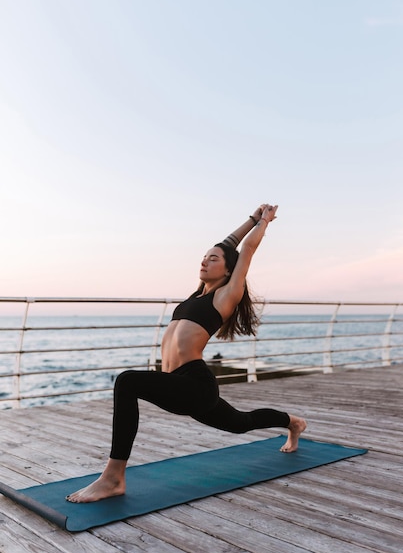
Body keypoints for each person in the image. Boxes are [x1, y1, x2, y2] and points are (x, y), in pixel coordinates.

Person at [66, 204, 306, 503]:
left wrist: (264, 223)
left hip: (195, 384)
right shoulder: (197, 295)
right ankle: (292, 422)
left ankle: (113, 478)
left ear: (228, 269)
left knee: (127, 381)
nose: (205, 261)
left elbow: (244, 250)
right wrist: (250, 219)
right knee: (240, 423)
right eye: (204, 257)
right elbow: (228, 244)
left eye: (213, 259)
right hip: (178, 384)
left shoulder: (225, 295)